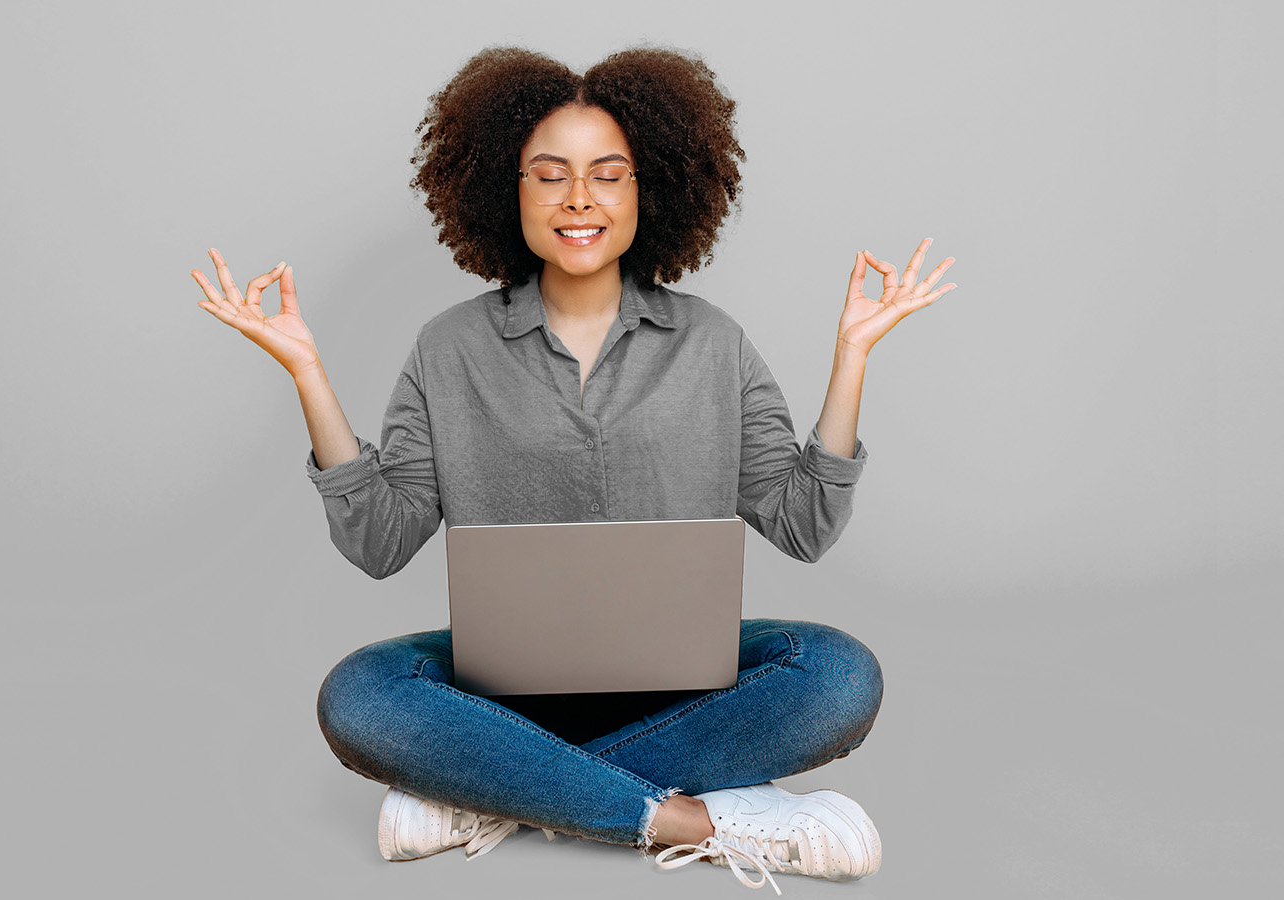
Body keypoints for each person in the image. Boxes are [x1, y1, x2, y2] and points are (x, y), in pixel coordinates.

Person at [191, 45, 955, 894]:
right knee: (360, 695)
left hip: (683, 691)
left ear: (649, 188)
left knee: (840, 676)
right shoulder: (448, 348)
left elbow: (804, 523)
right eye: (549, 175)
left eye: (609, 174)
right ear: (506, 190)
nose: (579, 198)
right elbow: (380, 540)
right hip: (507, 699)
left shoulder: (713, 343)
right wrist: (307, 372)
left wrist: (851, 355)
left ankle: (496, 792)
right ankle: (690, 818)